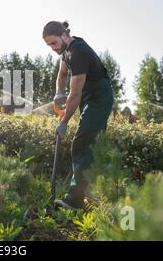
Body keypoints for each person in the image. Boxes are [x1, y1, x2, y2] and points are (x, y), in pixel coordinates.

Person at [43, 20, 114, 210]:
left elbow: (75, 93)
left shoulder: (78, 51)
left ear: (64, 36)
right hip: (88, 98)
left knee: (82, 144)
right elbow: (62, 74)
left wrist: (64, 121)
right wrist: (59, 92)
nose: (52, 48)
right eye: (49, 45)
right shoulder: (66, 52)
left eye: (54, 43)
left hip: (99, 97)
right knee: (93, 145)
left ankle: (76, 199)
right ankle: (96, 195)